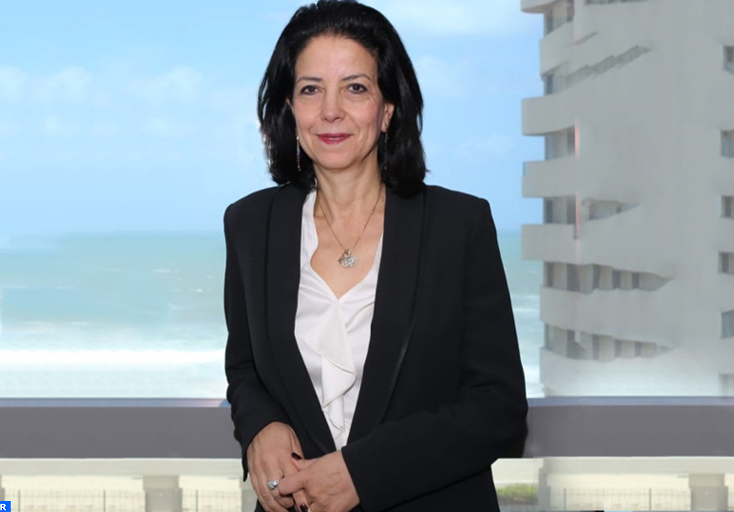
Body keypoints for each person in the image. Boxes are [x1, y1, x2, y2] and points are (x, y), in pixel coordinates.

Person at [223, 1, 528, 511]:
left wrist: (363, 474)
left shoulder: (459, 225)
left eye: (355, 88)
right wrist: (261, 425)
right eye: (311, 89)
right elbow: (244, 367)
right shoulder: (251, 224)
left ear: (387, 110)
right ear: (289, 108)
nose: (331, 111)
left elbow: (498, 406)